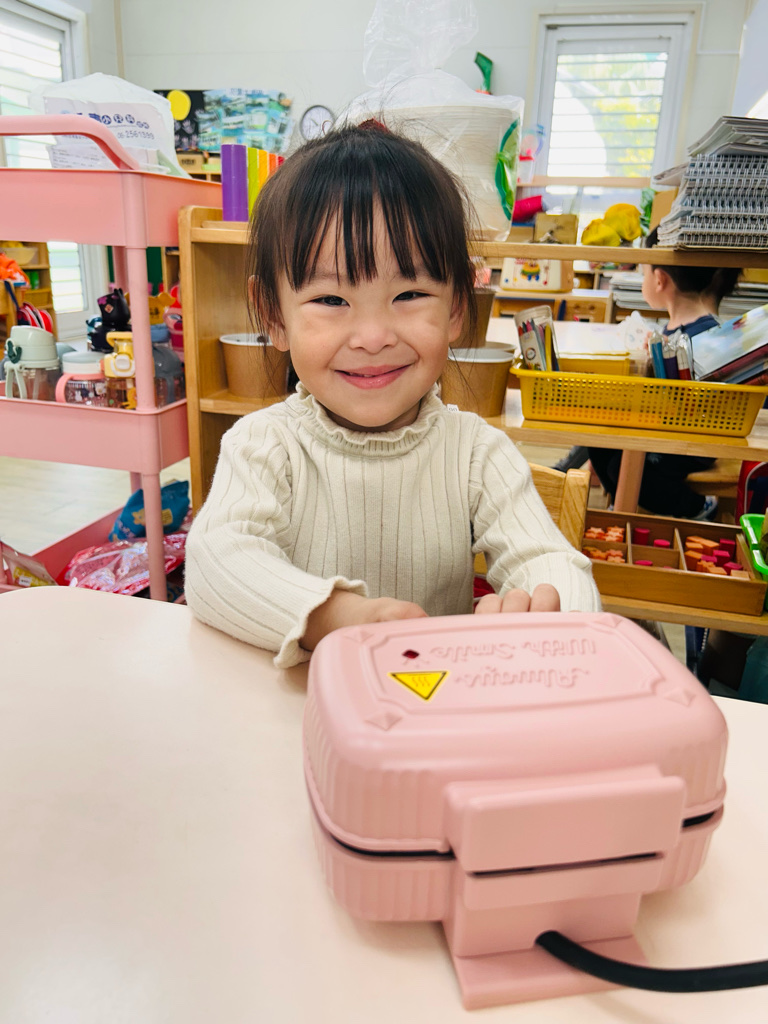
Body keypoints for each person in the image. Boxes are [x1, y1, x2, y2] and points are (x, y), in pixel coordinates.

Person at [185, 123, 600, 667]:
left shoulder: (476, 452)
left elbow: (550, 561)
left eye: (409, 293)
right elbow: (217, 561)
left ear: (457, 308)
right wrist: (333, 617)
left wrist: (549, 614)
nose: (373, 336)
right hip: (302, 705)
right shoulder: (264, 445)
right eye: (331, 300)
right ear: (273, 315)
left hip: (433, 704)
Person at [588, 227, 740, 520]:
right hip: (663, 428)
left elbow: (693, 406)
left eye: (643, 272)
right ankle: (623, 503)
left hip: (691, 441)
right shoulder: (670, 330)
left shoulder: (706, 336)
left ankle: (698, 507)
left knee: (624, 465)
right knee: (600, 445)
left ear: (659, 279)